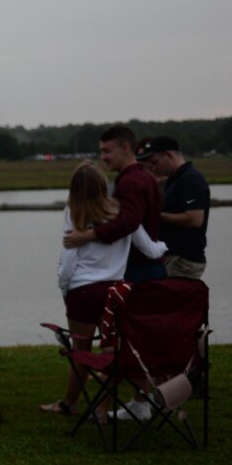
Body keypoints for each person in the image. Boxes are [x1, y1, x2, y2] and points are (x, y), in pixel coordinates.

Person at [45, 162, 168, 416]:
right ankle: (104, 408)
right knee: (115, 352)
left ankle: (69, 403)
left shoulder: (74, 212)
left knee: (82, 351)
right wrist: (168, 248)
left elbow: (69, 261)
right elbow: (151, 249)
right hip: (115, 292)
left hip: (82, 293)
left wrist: (65, 288)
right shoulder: (122, 214)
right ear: (103, 185)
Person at [62, 126, 165, 282]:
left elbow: (129, 222)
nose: (102, 157)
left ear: (125, 148)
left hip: (138, 269)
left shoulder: (130, 182)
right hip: (149, 265)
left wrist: (88, 235)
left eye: (107, 151)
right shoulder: (145, 177)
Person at [138, 136, 208, 278]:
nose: (153, 167)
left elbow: (195, 219)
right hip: (174, 257)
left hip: (183, 260)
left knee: (173, 300)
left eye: (155, 162)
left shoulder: (191, 178)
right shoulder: (174, 179)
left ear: (169, 155)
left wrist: (157, 215)